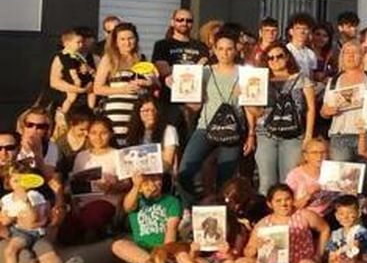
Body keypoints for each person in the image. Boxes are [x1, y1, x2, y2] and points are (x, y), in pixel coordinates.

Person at [174, 29, 253, 202]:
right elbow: (195, 104)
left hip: (232, 130)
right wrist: (178, 88)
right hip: (205, 126)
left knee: (226, 180)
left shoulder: (245, 73)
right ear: (214, 50)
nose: (225, 53)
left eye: (229, 49)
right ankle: (191, 207)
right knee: (185, 172)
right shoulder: (205, 72)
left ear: (236, 50)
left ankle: (224, 212)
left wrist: (251, 134)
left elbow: (250, 107)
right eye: (221, 49)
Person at [235, 183, 330, 263]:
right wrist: (255, 248)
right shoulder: (263, 224)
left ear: (293, 200)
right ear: (270, 204)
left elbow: (325, 229)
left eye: (287, 199)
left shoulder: (305, 215)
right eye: (278, 201)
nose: (283, 204)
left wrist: (318, 255)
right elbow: (248, 251)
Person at [255, 41, 318, 194]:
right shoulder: (260, 79)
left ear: (287, 57)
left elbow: (310, 108)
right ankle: (266, 209)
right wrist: (245, 96)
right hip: (266, 133)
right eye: (270, 58)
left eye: (279, 56)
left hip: (293, 134)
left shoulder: (301, 78)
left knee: (290, 180)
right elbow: (257, 112)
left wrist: (308, 135)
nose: (275, 60)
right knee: (266, 181)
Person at [62, 116, 130, 244]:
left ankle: (98, 231)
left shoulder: (118, 155)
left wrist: (112, 187)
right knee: (66, 231)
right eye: (93, 133)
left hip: (107, 201)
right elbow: (75, 184)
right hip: (83, 203)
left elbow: (127, 184)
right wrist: (74, 203)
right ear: (88, 134)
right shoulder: (81, 156)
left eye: (103, 133)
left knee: (94, 216)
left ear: (111, 134)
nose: (98, 137)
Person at [109, 173, 183, 263]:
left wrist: (166, 252)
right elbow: (127, 207)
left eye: (156, 180)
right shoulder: (135, 200)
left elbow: (172, 229)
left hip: (162, 248)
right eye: (147, 182)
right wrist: (136, 186)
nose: (152, 185)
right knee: (118, 245)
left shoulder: (172, 201)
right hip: (141, 249)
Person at [93, 22, 155, 146]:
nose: (127, 42)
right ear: (115, 41)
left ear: (136, 39)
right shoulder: (109, 59)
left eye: (130, 38)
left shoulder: (142, 59)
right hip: (117, 113)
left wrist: (147, 82)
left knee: (135, 145)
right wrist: (123, 89)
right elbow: (97, 88)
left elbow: (153, 82)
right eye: (122, 39)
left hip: (137, 112)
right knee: (117, 145)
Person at [321, 42, 367, 164]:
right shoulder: (333, 81)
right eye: (347, 52)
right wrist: (327, 111)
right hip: (340, 136)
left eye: (355, 52)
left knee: (365, 174)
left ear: (362, 56)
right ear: (342, 57)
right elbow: (324, 112)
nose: (351, 56)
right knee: (341, 175)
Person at [2, 169, 52, 263]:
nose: (18, 184)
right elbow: (4, 221)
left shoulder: (34, 195)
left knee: (47, 253)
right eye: (15, 180)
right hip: (16, 231)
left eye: (22, 180)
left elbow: (33, 221)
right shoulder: (6, 199)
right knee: (11, 251)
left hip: (30, 232)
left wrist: (26, 202)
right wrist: (11, 217)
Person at [42, 27, 95, 128]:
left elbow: (99, 78)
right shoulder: (62, 57)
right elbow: (54, 82)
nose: (82, 43)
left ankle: (91, 110)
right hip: (68, 97)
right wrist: (79, 89)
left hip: (87, 103)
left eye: (89, 38)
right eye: (79, 41)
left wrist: (90, 74)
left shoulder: (94, 58)